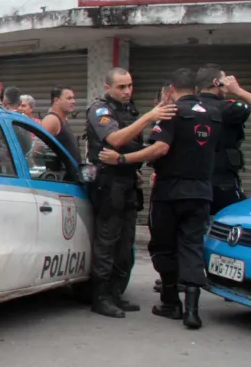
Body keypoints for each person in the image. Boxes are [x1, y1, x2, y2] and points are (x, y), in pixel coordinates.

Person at [101, 68, 219, 330]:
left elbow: (160, 148)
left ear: (170, 91)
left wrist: (123, 159)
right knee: (191, 246)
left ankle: (170, 302)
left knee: (164, 246)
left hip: (170, 193)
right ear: (196, 90)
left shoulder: (171, 113)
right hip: (201, 192)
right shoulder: (214, 114)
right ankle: (192, 310)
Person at [84, 68, 175, 318]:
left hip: (127, 182)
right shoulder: (100, 110)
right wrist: (149, 117)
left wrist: (133, 167)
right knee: (107, 242)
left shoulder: (129, 109)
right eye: (121, 87)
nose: (126, 91)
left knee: (125, 244)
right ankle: (100, 297)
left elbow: (134, 143)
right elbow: (114, 139)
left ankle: (115, 294)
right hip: (109, 184)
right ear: (108, 88)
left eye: (129, 86)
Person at [196, 65, 251, 214]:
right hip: (222, 183)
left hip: (193, 185)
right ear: (216, 82)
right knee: (237, 216)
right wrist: (237, 90)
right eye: (224, 80)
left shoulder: (187, 107)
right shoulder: (227, 108)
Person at [41, 86, 81, 164]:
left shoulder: (63, 120)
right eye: (69, 98)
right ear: (56, 100)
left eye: (73, 98)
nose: (73, 101)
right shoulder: (51, 120)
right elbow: (38, 150)